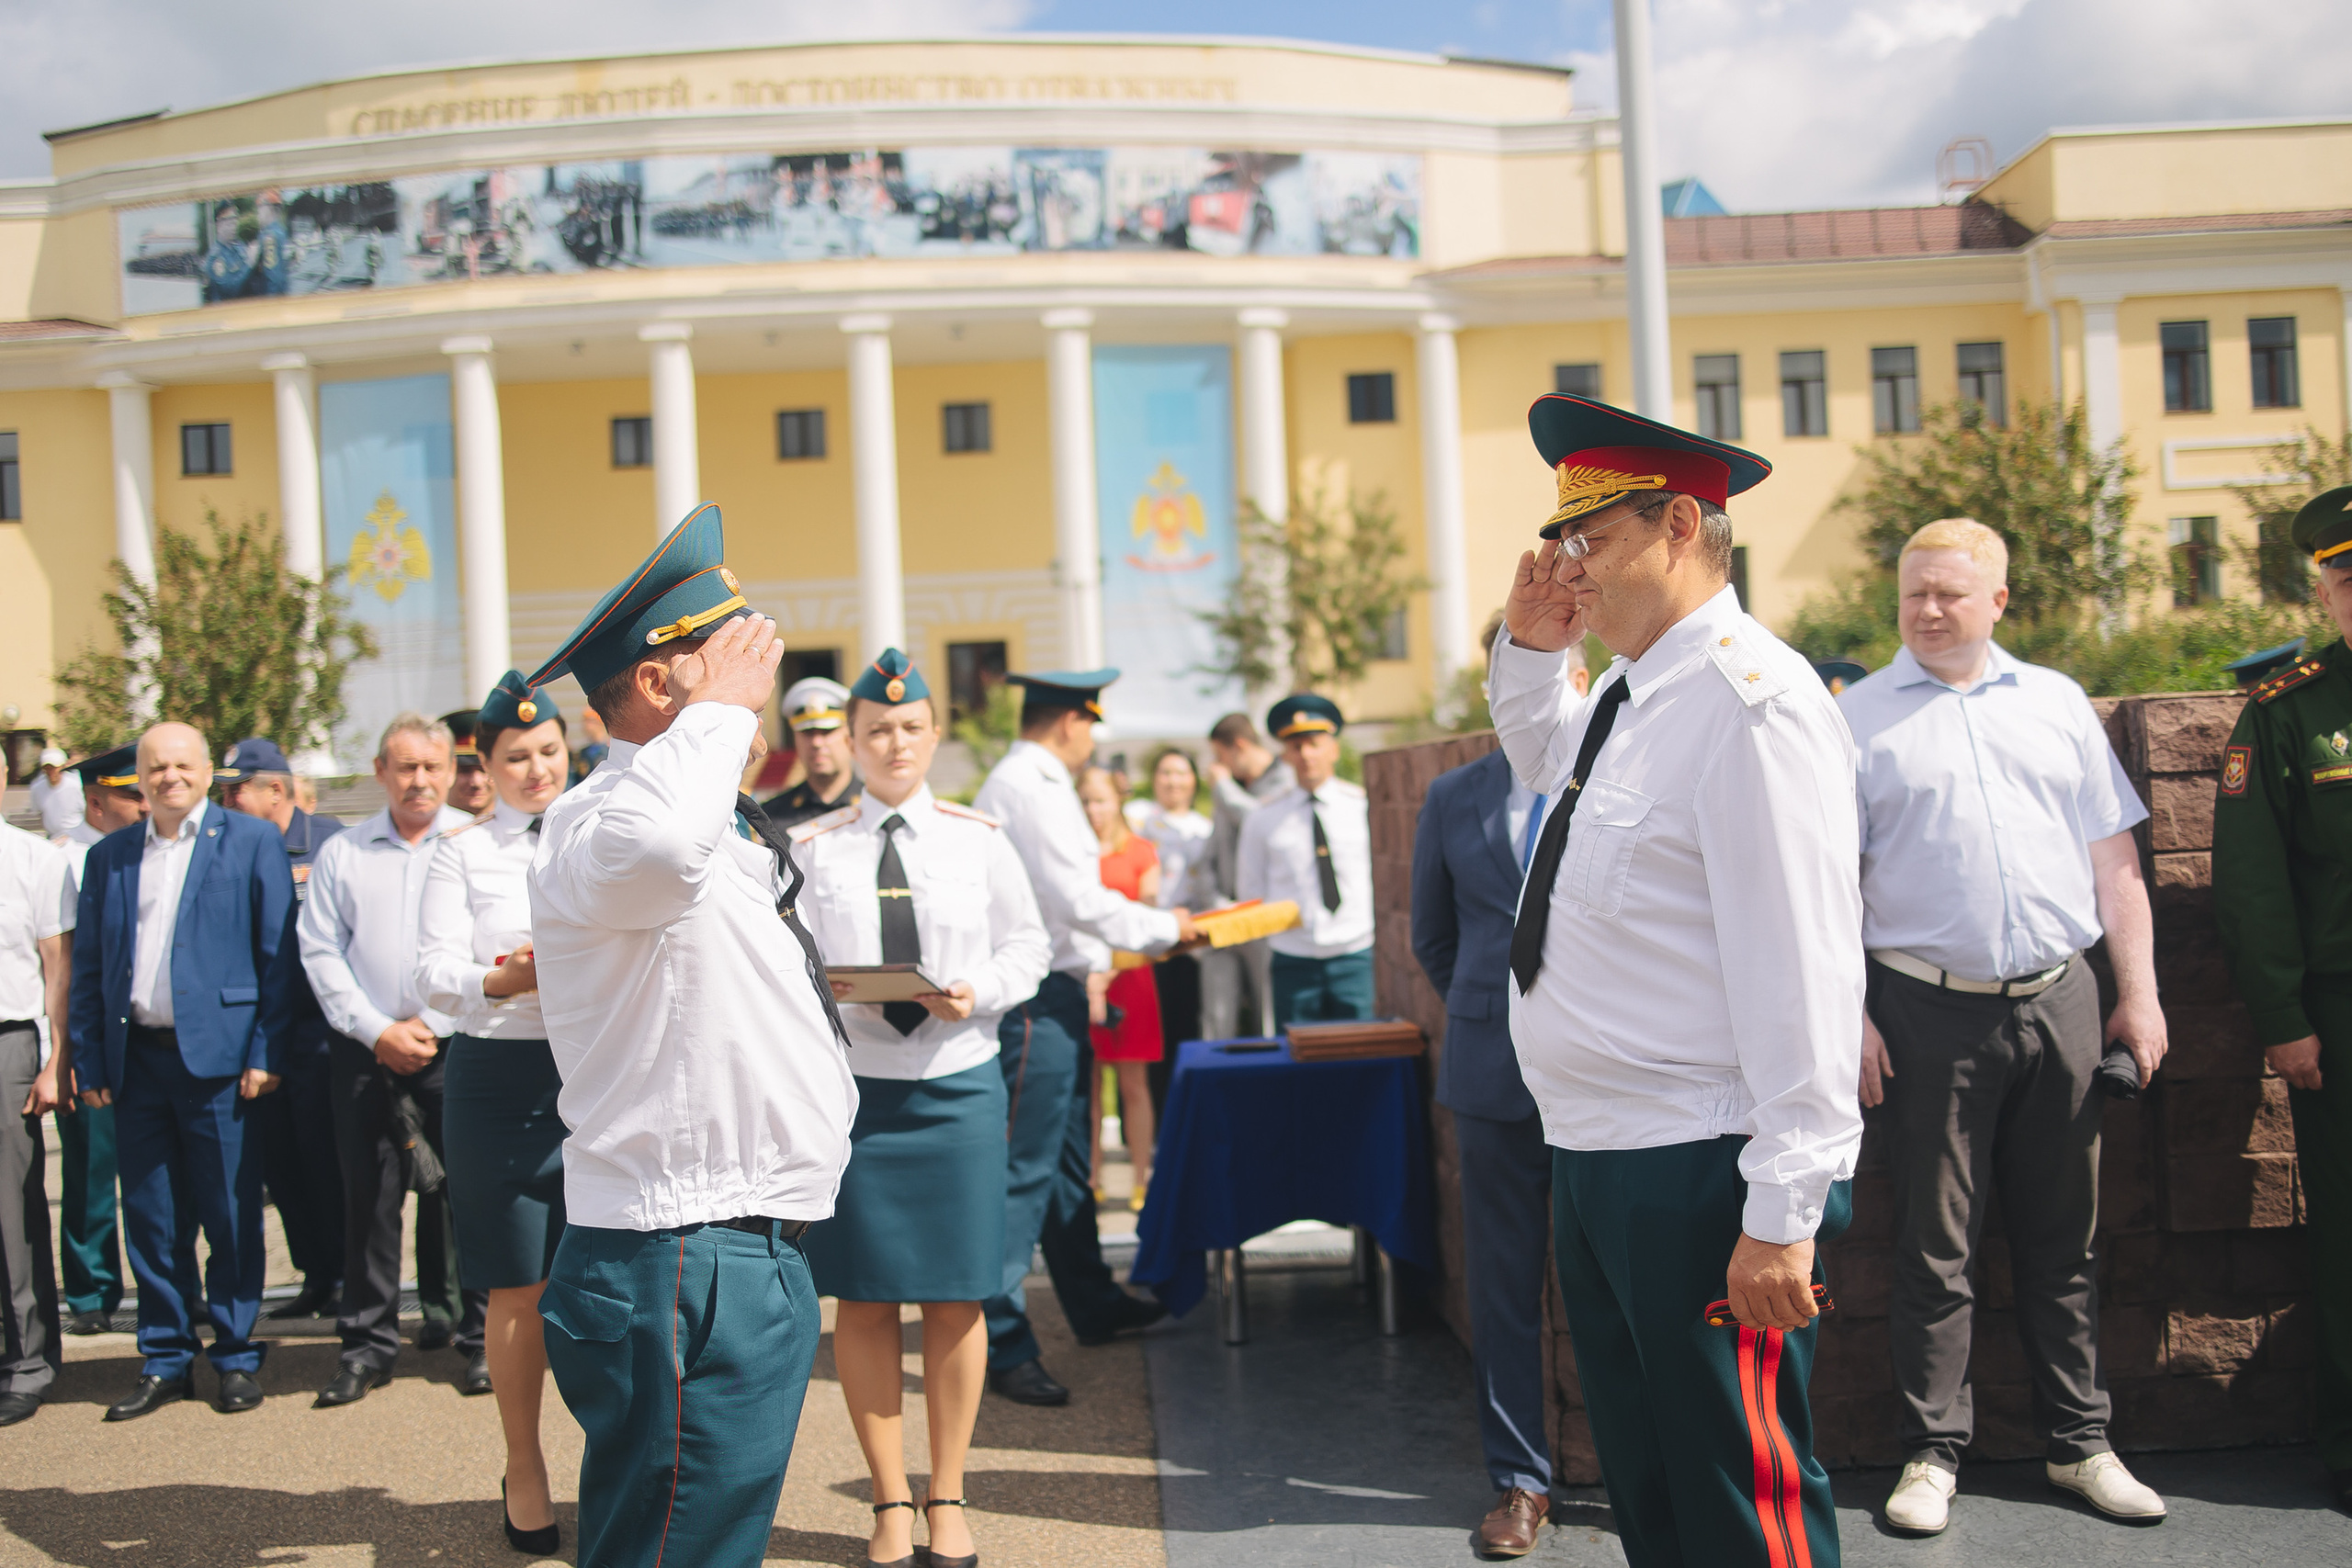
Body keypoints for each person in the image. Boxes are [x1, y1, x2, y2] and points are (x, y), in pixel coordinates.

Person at [1491, 393, 1861, 1566]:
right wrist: (1532, 646)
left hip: (1701, 1166)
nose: (1570, 567)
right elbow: (1544, 762)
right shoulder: (1627, 688)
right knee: (1651, 1487)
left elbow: (1802, 964)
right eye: (1561, 543)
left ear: (1683, 526)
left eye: (1589, 542)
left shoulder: (1754, 706)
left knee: (1741, 1499)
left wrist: (1783, 1214)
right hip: (1602, 1150)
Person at [527, 505, 857, 1568]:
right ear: (664, 681)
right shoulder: (602, 819)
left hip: (730, 1246)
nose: (757, 679)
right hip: (686, 1257)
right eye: (735, 653)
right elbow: (658, 854)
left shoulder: (693, 810)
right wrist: (717, 719)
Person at [1842, 518, 2170, 1532]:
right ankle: (1931, 1455)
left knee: (2061, 1239)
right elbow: (1822, 887)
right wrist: (1847, 1014)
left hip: (2060, 1003)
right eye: (1913, 595)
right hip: (1921, 1009)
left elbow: (2112, 862)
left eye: (1949, 593)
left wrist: (2138, 992)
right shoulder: (1854, 719)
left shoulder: (2057, 704)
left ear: (1998, 601)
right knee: (1934, 1248)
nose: (1928, 611)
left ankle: (2079, 1444)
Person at [793, 649, 1050, 1568]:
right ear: (851, 744)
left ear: (933, 735)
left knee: (956, 1294)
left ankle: (947, 1493)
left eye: (909, 728)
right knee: (862, 1299)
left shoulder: (977, 838)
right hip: (858, 1095)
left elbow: (1029, 945)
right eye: (876, 731)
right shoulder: (814, 848)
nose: (894, 743)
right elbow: (783, 965)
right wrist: (831, 993)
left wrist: (974, 990)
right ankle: (888, 1501)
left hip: (956, 1088)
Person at [973, 670, 1190, 1407]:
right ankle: (1001, 1339)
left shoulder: (1029, 780)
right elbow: (1080, 898)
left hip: (1059, 991)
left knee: (1067, 1166)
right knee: (1025, 1171)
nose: (1092, 739)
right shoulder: (1033, 785)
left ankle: (1091, 1301)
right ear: (1071, 721)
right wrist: (1171, 927)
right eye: (1091, 725)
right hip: (1034, 998)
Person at [67, 721, 297, 1420]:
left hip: (222, 1062)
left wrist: (265, 1051)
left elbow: (276, 958)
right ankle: (166, 1354)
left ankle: (233, 1352)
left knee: (230, 1214)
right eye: (155, 766)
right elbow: (90, 969)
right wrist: (90, 1058)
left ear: (205, 771)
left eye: (181, 764)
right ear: (138, 777)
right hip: (136, 1061)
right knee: (152, 1217)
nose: (169, 776)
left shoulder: (250, 840)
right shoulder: (108, 857)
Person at [2212, 486, 2352, 1511]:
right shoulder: (2288, 711)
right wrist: (2284, 1020)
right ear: (2323, 591)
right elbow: (2252, 882)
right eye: (2346, 580)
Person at [416, 671, 571, 1556]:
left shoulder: (599, 831)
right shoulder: (461, 851)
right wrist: (503, 977)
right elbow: (432, 971)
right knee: (518, 1284)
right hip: (500, 1075)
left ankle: (623, 1459)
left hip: (599, 1069)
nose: (537, 767)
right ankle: (525, 1464)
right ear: (485, 764)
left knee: (610, 1273)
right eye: (516, 756)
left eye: (549, 750)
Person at [299, 712, 490, 1407]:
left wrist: (432, 1023)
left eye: (432, 767)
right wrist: (378, 1027)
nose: (420, 780)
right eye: (405, 767)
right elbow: (320, 950)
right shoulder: (344, 854)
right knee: (368, 1204)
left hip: (456, 1045)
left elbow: (485, 948)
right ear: (381, 771)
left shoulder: (473, 847)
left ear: (450, 771)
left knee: (471, 1200)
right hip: (365, 1051)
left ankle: (479, 1340)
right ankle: (368, 1345)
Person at [1410, 716, 1560, 1555]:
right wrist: (1492, 1012)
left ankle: (1652, 1463)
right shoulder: (1451, 795)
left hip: (1610, 1076)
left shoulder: (1613, 773)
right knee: (1502, 1282)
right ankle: (1521, 1478)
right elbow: (1431, 935)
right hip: (1490, 1071)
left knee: (1625, 1276)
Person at [217, 736, 347, 1322]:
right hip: (262, 1032)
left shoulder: (328, 842)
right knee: (284, 1165)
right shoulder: (229, 847)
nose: (227, 799)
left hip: (321, 1032)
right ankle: (315, 1276)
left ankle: (348, 1278)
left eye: (235, 788)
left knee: (327, 1161)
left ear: (276, 788)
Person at [48, 745, 145, 1337]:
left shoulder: (145, 852)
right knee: (89, 1168)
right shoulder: (65, 861)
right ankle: (90, 1293)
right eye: (130, 794)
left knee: (154, 1171)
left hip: (146, 1037)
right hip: (93, 1036)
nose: (142, 803)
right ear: (95, 800)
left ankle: (160, 1286)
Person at [1236, 695, 1374, 1028]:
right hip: (1294, 959)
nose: (1306, 755)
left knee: (1364, 1057)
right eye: (1296, 746)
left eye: (1314, 743)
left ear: (1334, 749)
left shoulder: (1361, 808)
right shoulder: (1263, 818)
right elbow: (1250, 891)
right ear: (1285, 755)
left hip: (1355, 954)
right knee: (1301, 1064)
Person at [1, 814, 74, 1426]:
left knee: (10, 1211)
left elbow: (59, 966)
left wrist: (57, 1058)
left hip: (8, 1039)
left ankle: (27, 1360)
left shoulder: (32, 859)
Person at [1078, 764, 1163, 1209]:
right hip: (1083, 981)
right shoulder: (1072, 854)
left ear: (1118, 800)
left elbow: (1149, 927)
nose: (1094, 810)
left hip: (1130, 980)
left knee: (1134, 1084)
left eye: (1101, 800)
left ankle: (1140, 1178)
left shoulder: (1142, 851)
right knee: (1087, 1087)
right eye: (1086, 801)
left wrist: (1106, 971)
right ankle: (1089, 1179)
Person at [1128, 747, 1213, 1122]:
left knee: (1182, 1031)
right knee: (1141, 1043)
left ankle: (1179, 1122)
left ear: (1194, 780)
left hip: (1186, 947)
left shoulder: (1205, 829)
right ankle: (1144, 1129)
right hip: (1140, 946)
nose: (1173, 781)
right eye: (1165, 773)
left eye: (1181, 773)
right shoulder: (1138, 818)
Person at [1201, 713, 1292, 1038]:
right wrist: (1216, 901)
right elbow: (1211, 852)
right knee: (1218, 1013)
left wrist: (1223, 786)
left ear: (1239, 746)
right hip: (1226, 914)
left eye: (1220, 756)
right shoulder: (1230, 789)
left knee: (1269, 1016)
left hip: (1267, 917)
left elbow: (1257, 821)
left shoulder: (1285, 779)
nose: (1218, 766)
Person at [763, 674, 863, 828]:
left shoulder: (874, 807)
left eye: (827, 731)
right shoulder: (771, 816)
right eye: (807, 732)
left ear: (849, 735)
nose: (816, 743)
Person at [441, 709, 497, 816]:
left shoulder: (528, 829)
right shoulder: (422, 830)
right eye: (464, 771)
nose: (476, 782)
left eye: (484, 770)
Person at [29, 747, 83, 839]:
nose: (51, 772)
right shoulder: (37, 788)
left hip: (76, 838)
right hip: (52, 838)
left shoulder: (76, 785)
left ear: (62, 767)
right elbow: (40, 813)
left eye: (54, 768)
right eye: (47, 768)